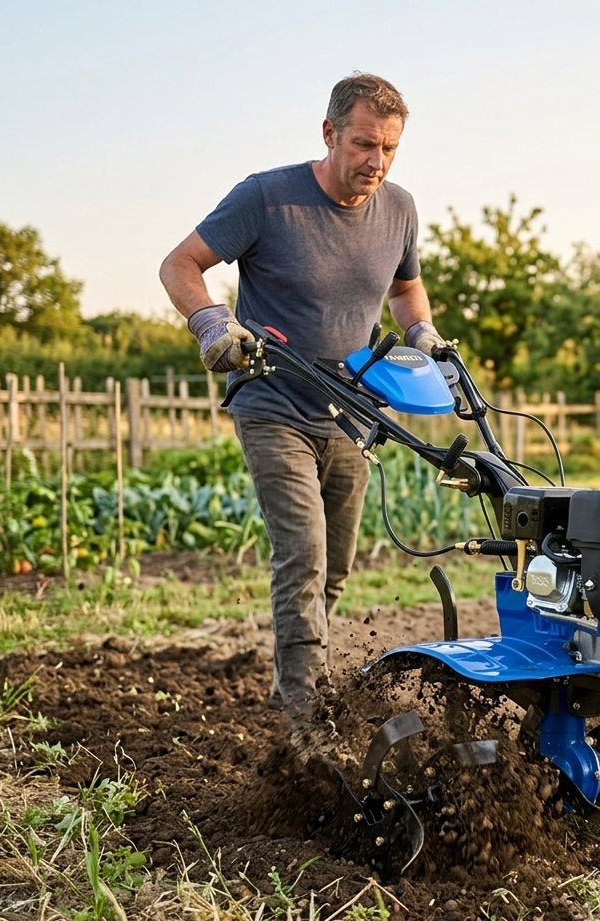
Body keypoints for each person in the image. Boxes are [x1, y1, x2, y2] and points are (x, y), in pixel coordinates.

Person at [159, 73, 448, 730]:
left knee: (335, 568)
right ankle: (308, 720)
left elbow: (405, 289)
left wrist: (422, 333)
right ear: (329, 134)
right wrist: (212, 323)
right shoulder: (267, 198)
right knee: (304, 556)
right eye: (364, 144)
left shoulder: (399, 209)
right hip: (272, 402)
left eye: (390, 148)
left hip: (351, 410)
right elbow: (180, 264)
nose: (377, 161)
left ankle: (291, 680)